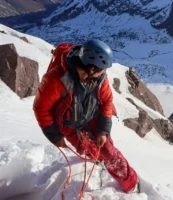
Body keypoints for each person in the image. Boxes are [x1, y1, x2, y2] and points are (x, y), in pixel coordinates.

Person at [33, 39, 139, 193]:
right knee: (88, 150)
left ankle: (131, 183)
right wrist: (55, 136)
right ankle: (97, 161)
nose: (105, 72)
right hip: (69, 124)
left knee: (108, 150)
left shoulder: (100, 78)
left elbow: (107, 101)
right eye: (102, 69)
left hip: (93, 116)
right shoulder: (57, 79)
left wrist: (103, 130)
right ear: (91, 69)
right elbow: (41, 109)